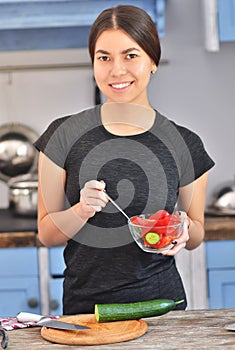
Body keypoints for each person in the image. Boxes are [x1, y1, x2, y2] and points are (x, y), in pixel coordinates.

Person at [34, 5, 215, 315]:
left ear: (153, 62)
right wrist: (81, 209)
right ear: (93, 63)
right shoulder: (61, 136)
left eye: (131, 56)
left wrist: (184, 226)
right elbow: (47, 234)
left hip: (164, 309)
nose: (116, 70)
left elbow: (197, 234)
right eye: (104, 57)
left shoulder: (186, 143)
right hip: (86, 312)